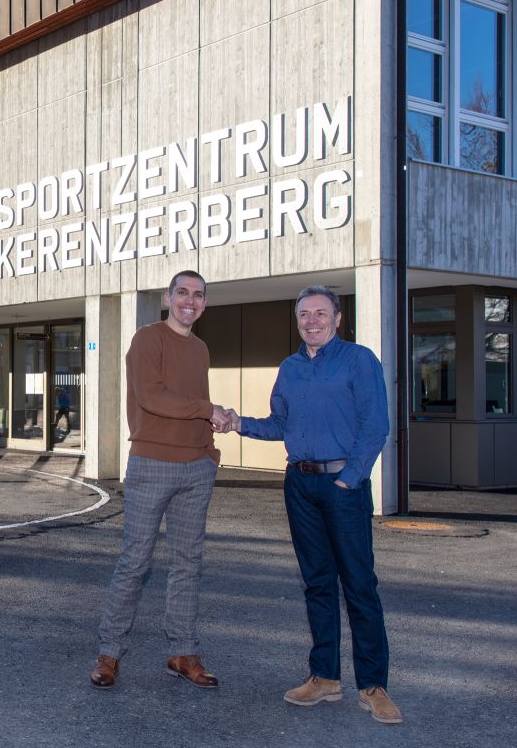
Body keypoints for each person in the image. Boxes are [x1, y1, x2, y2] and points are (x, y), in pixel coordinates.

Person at [224, 285, 398, 724]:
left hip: (343, 486)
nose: (312, 321)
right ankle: (324, 677)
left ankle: (373, 685)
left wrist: (350, 479)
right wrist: (238, 423)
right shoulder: (290, 368)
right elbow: (280, 424)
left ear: (338, 318)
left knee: (359, 585)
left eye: (321, 313)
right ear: (298, 319)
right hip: (299, 485)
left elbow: (375, 425)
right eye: (305, 314)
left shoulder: (359, 361)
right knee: (317, 582)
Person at [91, 270, 234, 691]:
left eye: (199, 295)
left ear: (204, 304)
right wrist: (209, 409)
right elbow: (151, 397)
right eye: (183, 293)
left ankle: (183, 652)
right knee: (135, 562)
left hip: (196, 468)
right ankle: (109, 654)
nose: (191, 301)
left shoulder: (201, 348)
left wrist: (209, 444)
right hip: (152, 463)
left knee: (188, 565)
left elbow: (190, 407)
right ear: (169, 298)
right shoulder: (148, 338)